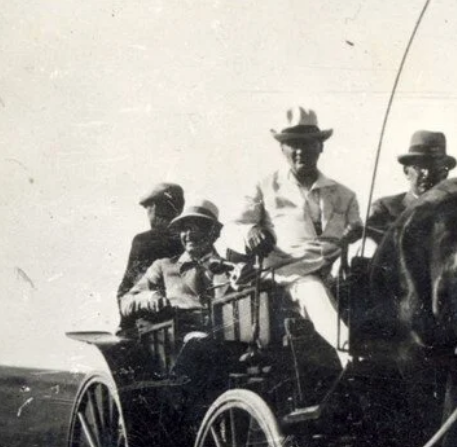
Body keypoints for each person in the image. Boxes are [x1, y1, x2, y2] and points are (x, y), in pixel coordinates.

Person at [235, 106, 362, 363]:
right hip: (290, 273)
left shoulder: (344, 194)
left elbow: (358, 232)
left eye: (307, 143)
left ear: (320, 147)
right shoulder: (264, 187)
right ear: (282, 149)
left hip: (336, 269)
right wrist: (252, 231)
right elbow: (238, 225)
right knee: (311, 288)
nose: (300, 150)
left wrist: (355, 235)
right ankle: (348, 353)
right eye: (292, 144)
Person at [119, 198, 232, 332]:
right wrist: (150, 297)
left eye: (196, 227)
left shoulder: (231, 269)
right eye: (184, 228)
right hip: (179, 344)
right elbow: (126, 301)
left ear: (213, 233)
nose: (188, 234)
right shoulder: (163, 266)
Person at [364, 130, 456, 245]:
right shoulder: (385, 208)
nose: (427, 174)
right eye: (419, 167)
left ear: (445, 174)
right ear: (406, 171)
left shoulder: (456, 212)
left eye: (434, 168)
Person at [116, 182, 184, 331]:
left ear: (155, 208)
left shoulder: (144, 241)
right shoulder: (193, 240)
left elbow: (128, 288)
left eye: (148, 207)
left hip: (155, 325)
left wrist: (124, 327)